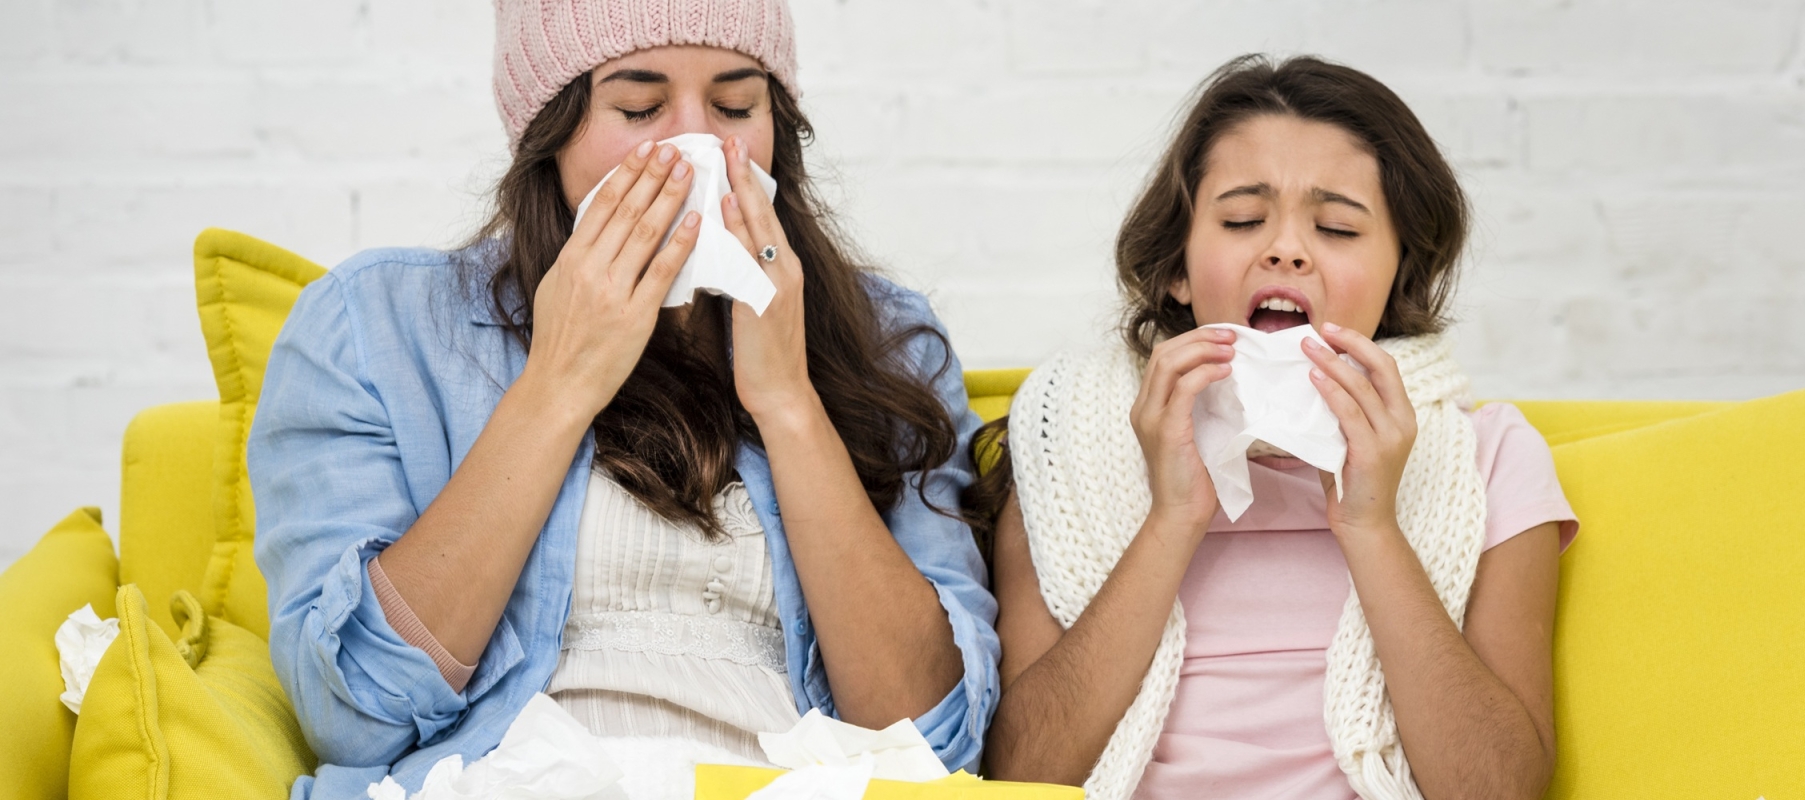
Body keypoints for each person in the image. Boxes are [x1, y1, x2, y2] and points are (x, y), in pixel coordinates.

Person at [249, 2, 997, 797]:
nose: (698, 146)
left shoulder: (890, 341)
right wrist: (560, 384)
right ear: (551, 130)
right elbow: (357, 711)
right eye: (639, 107)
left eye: (737, 106)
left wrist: (789, 404)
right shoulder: (376, 326)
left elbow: (934, 747)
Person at [972, 55, 1579, 800]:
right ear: (1178, 270)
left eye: (1336, 228)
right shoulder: (1061, 442)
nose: (1286, 248)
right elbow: (1020, 774)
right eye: (1242, 220)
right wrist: (1171, 517)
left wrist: (1373, 525)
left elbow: (1499, 790)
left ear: (1400, 277)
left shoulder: (1488, 458)